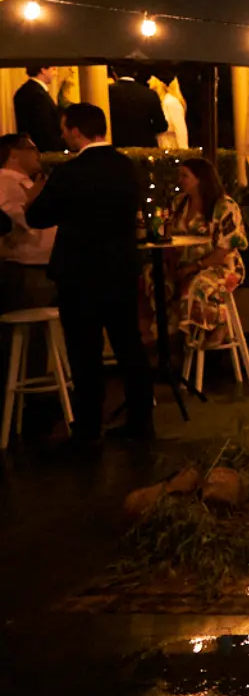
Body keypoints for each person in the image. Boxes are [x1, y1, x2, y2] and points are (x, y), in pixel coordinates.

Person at [24, 103, 153, 442]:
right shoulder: (127, 167)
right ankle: (141, 421)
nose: (62, 135)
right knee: (129, 344)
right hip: (120, 268)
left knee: (84, 351)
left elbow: (38, 217)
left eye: (64, 129)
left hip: (79, 272)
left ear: (76, 132)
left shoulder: (69, 172)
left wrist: (32, 197)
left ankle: (88, 426)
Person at [164, 158, 248, 351]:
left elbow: (226, 248)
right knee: (154, 278)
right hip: (185, 264)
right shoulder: (179, 203)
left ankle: (215, 325)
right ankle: (167, 336)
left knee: (197, 286)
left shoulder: (224, 206)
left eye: (185, 176)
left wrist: (194, 267)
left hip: (220, 265)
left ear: (200, 179)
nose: (180, 180)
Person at [0, 134, 55, 311]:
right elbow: (9, 225)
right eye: (32, 149)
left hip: (42, 267)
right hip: (27, 270)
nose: (38, 154)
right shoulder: (6, 182)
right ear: (13, 153)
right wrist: (31, 204)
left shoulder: (26, 182)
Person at [107, 67, 167, 149]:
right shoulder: (149, 94)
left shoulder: (107, 92)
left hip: (117, 146)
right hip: (145, 147)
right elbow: (161, 126)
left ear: (114, 73)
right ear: (135, 73)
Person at [12, 66, 62, 153]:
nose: (56, 74)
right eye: (54, 69)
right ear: (43, 70)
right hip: (43, 151)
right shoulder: (37, 94)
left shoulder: (26, 90)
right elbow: (44, 128)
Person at [152, 75, 190, 150]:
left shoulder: (171, 102)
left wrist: (183, 151)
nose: (149, 81)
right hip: (164, 147)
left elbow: (180, 130)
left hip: (172, 148)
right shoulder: (163, 102)